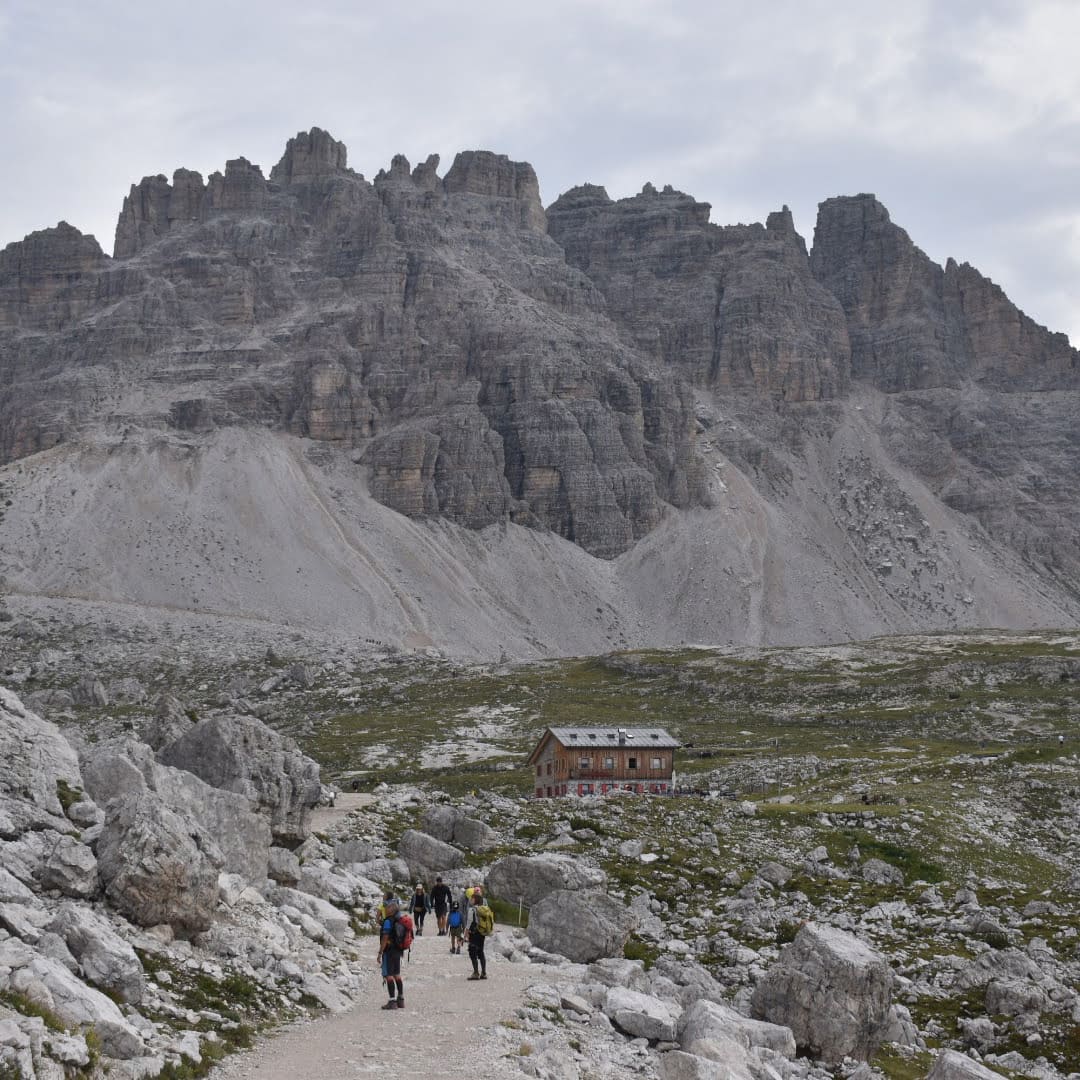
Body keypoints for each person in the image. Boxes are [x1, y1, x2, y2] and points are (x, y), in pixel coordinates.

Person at [377, 898, 405, 1010]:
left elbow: (385, 938)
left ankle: (392, 1001)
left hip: (389, 951)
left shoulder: (388, 921)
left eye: (388, 907)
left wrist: (380, 952)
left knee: (388, 975)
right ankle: (401, 999)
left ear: (392, 910)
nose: (386, 909)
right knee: (397, 974)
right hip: (398, 950)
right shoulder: (399, 920)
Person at [465, 887, 487, 980]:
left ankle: (475, 973)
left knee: (472, 952)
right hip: (482, 933)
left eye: (472, 898)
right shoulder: (484, 908)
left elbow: (469, 923)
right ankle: (484, 973)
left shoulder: (472, 910)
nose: (470, 900)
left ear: (475, 900)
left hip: (474, 934)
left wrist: (465, 935)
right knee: (481, 952)